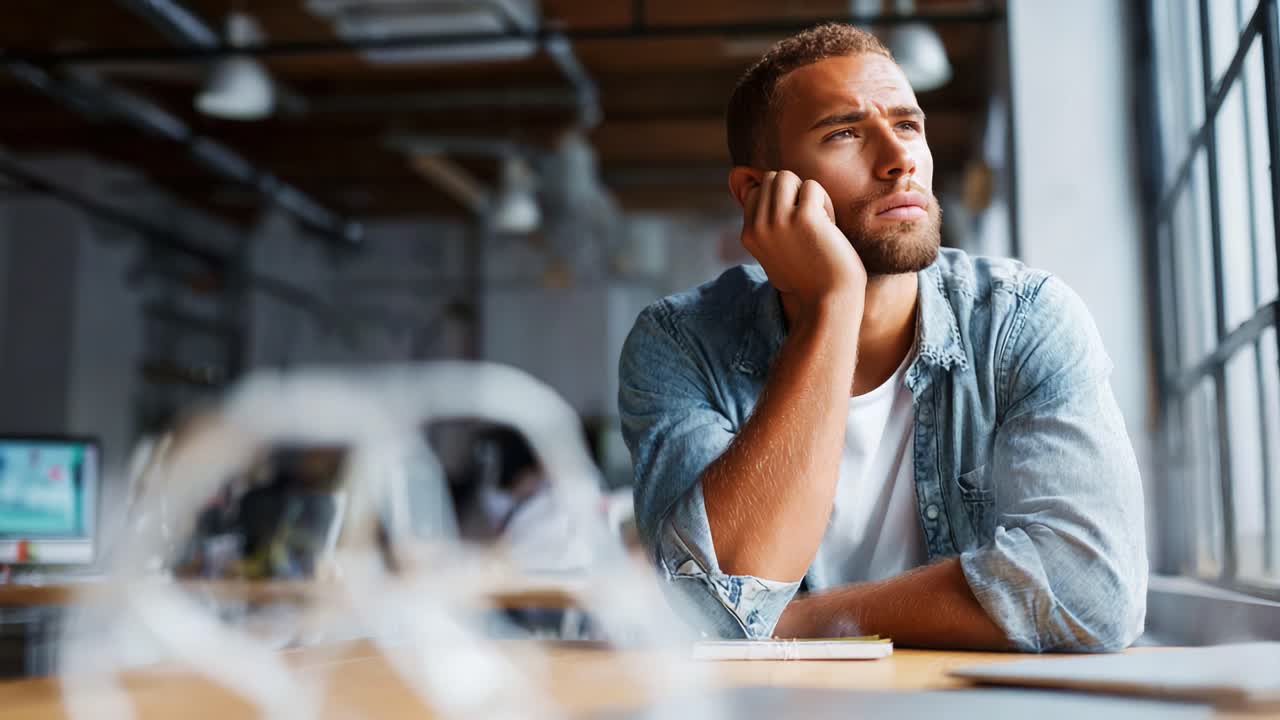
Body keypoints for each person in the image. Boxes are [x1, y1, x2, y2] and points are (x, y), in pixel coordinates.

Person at [618, 23, 1146, 652]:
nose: (898, 159)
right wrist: (832, 307)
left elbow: (1093, 591)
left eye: (908, 125)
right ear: (757, 193)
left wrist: (802, 625)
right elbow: (707, 603)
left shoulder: (1023, 321)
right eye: (844, 133)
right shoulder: (681, 343)